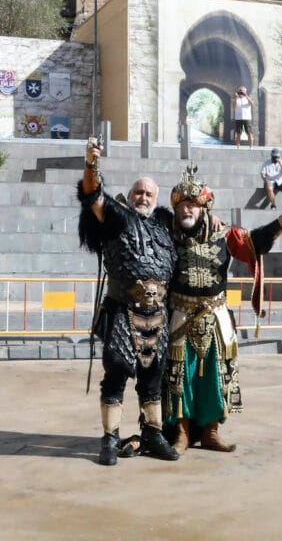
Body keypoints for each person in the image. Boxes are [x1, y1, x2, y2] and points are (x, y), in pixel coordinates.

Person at [163, 164, 282, 455]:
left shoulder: (226, 235)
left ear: (204, 208)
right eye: (181, 205)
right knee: (179, 375)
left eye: (192, 205)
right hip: (180, 316)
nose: (186, 210)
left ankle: (210, 433)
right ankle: (181, 434)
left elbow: (253, 243)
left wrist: (279, 224)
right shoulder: (167, 233)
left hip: (216, 317)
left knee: (215, 375)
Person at [76, 137, 180, 465]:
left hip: (158, 314)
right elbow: (93, 197)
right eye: (139, 192)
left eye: (149, 193)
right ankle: (109, 438)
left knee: (153, 376)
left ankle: (153, 433)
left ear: (157, 198)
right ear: (131, 195)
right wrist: (92, 164)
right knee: (117, 372)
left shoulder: (166, 228)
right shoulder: (118, 218)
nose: (143, 197)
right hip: (123, 309)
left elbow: (194, 226)